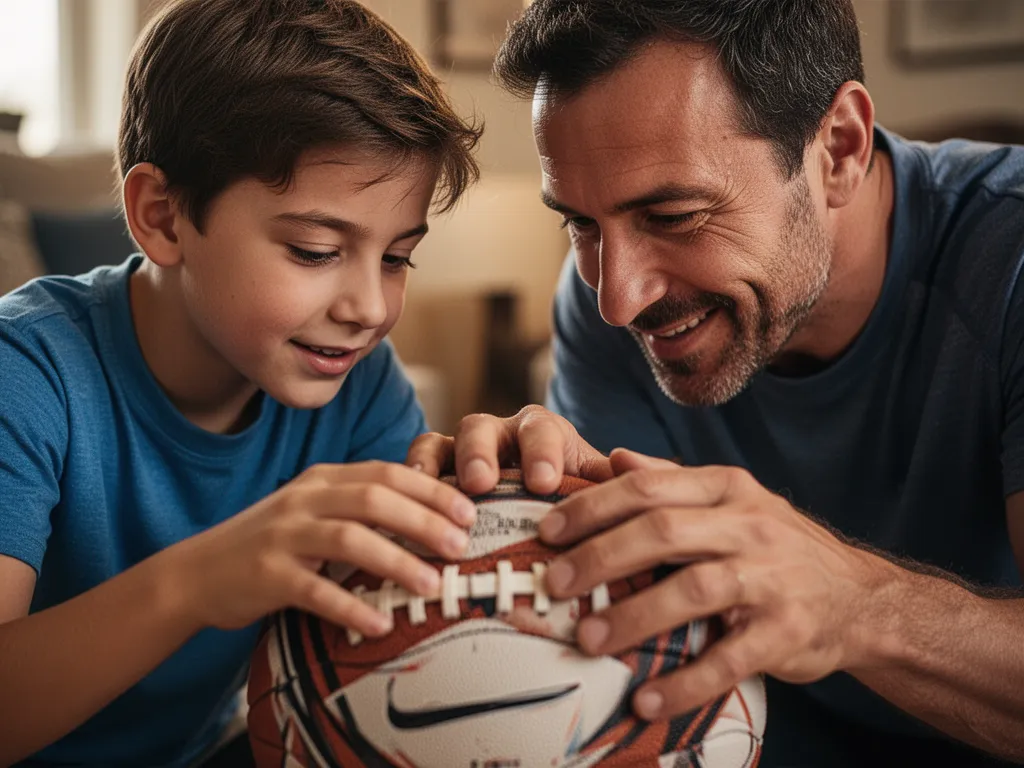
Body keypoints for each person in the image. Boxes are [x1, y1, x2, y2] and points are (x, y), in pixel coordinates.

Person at [408, 0, 1024, 765]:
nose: (617, 300)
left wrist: (855, 605)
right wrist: (501, 528)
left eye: (673, 215)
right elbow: (610, 640)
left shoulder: (1009, 263)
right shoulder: (599, 305)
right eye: (581, 224)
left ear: (839, 148)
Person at [0, 1, 483, 765]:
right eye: (316, 250)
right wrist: (202, 578)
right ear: (162, 218)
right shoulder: (25, 372)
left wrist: (517, 505)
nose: (369, 309)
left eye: (397, 258)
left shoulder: (360, 386)